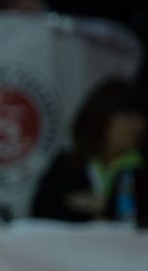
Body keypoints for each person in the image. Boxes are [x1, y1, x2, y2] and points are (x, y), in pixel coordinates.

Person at [30, 77, 145, 226]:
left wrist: (105, 207)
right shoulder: (66, 166)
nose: (138, 125)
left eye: (142, 117)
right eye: (128, 116)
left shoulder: (142, 168)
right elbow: (39, 216)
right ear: (101, 117)